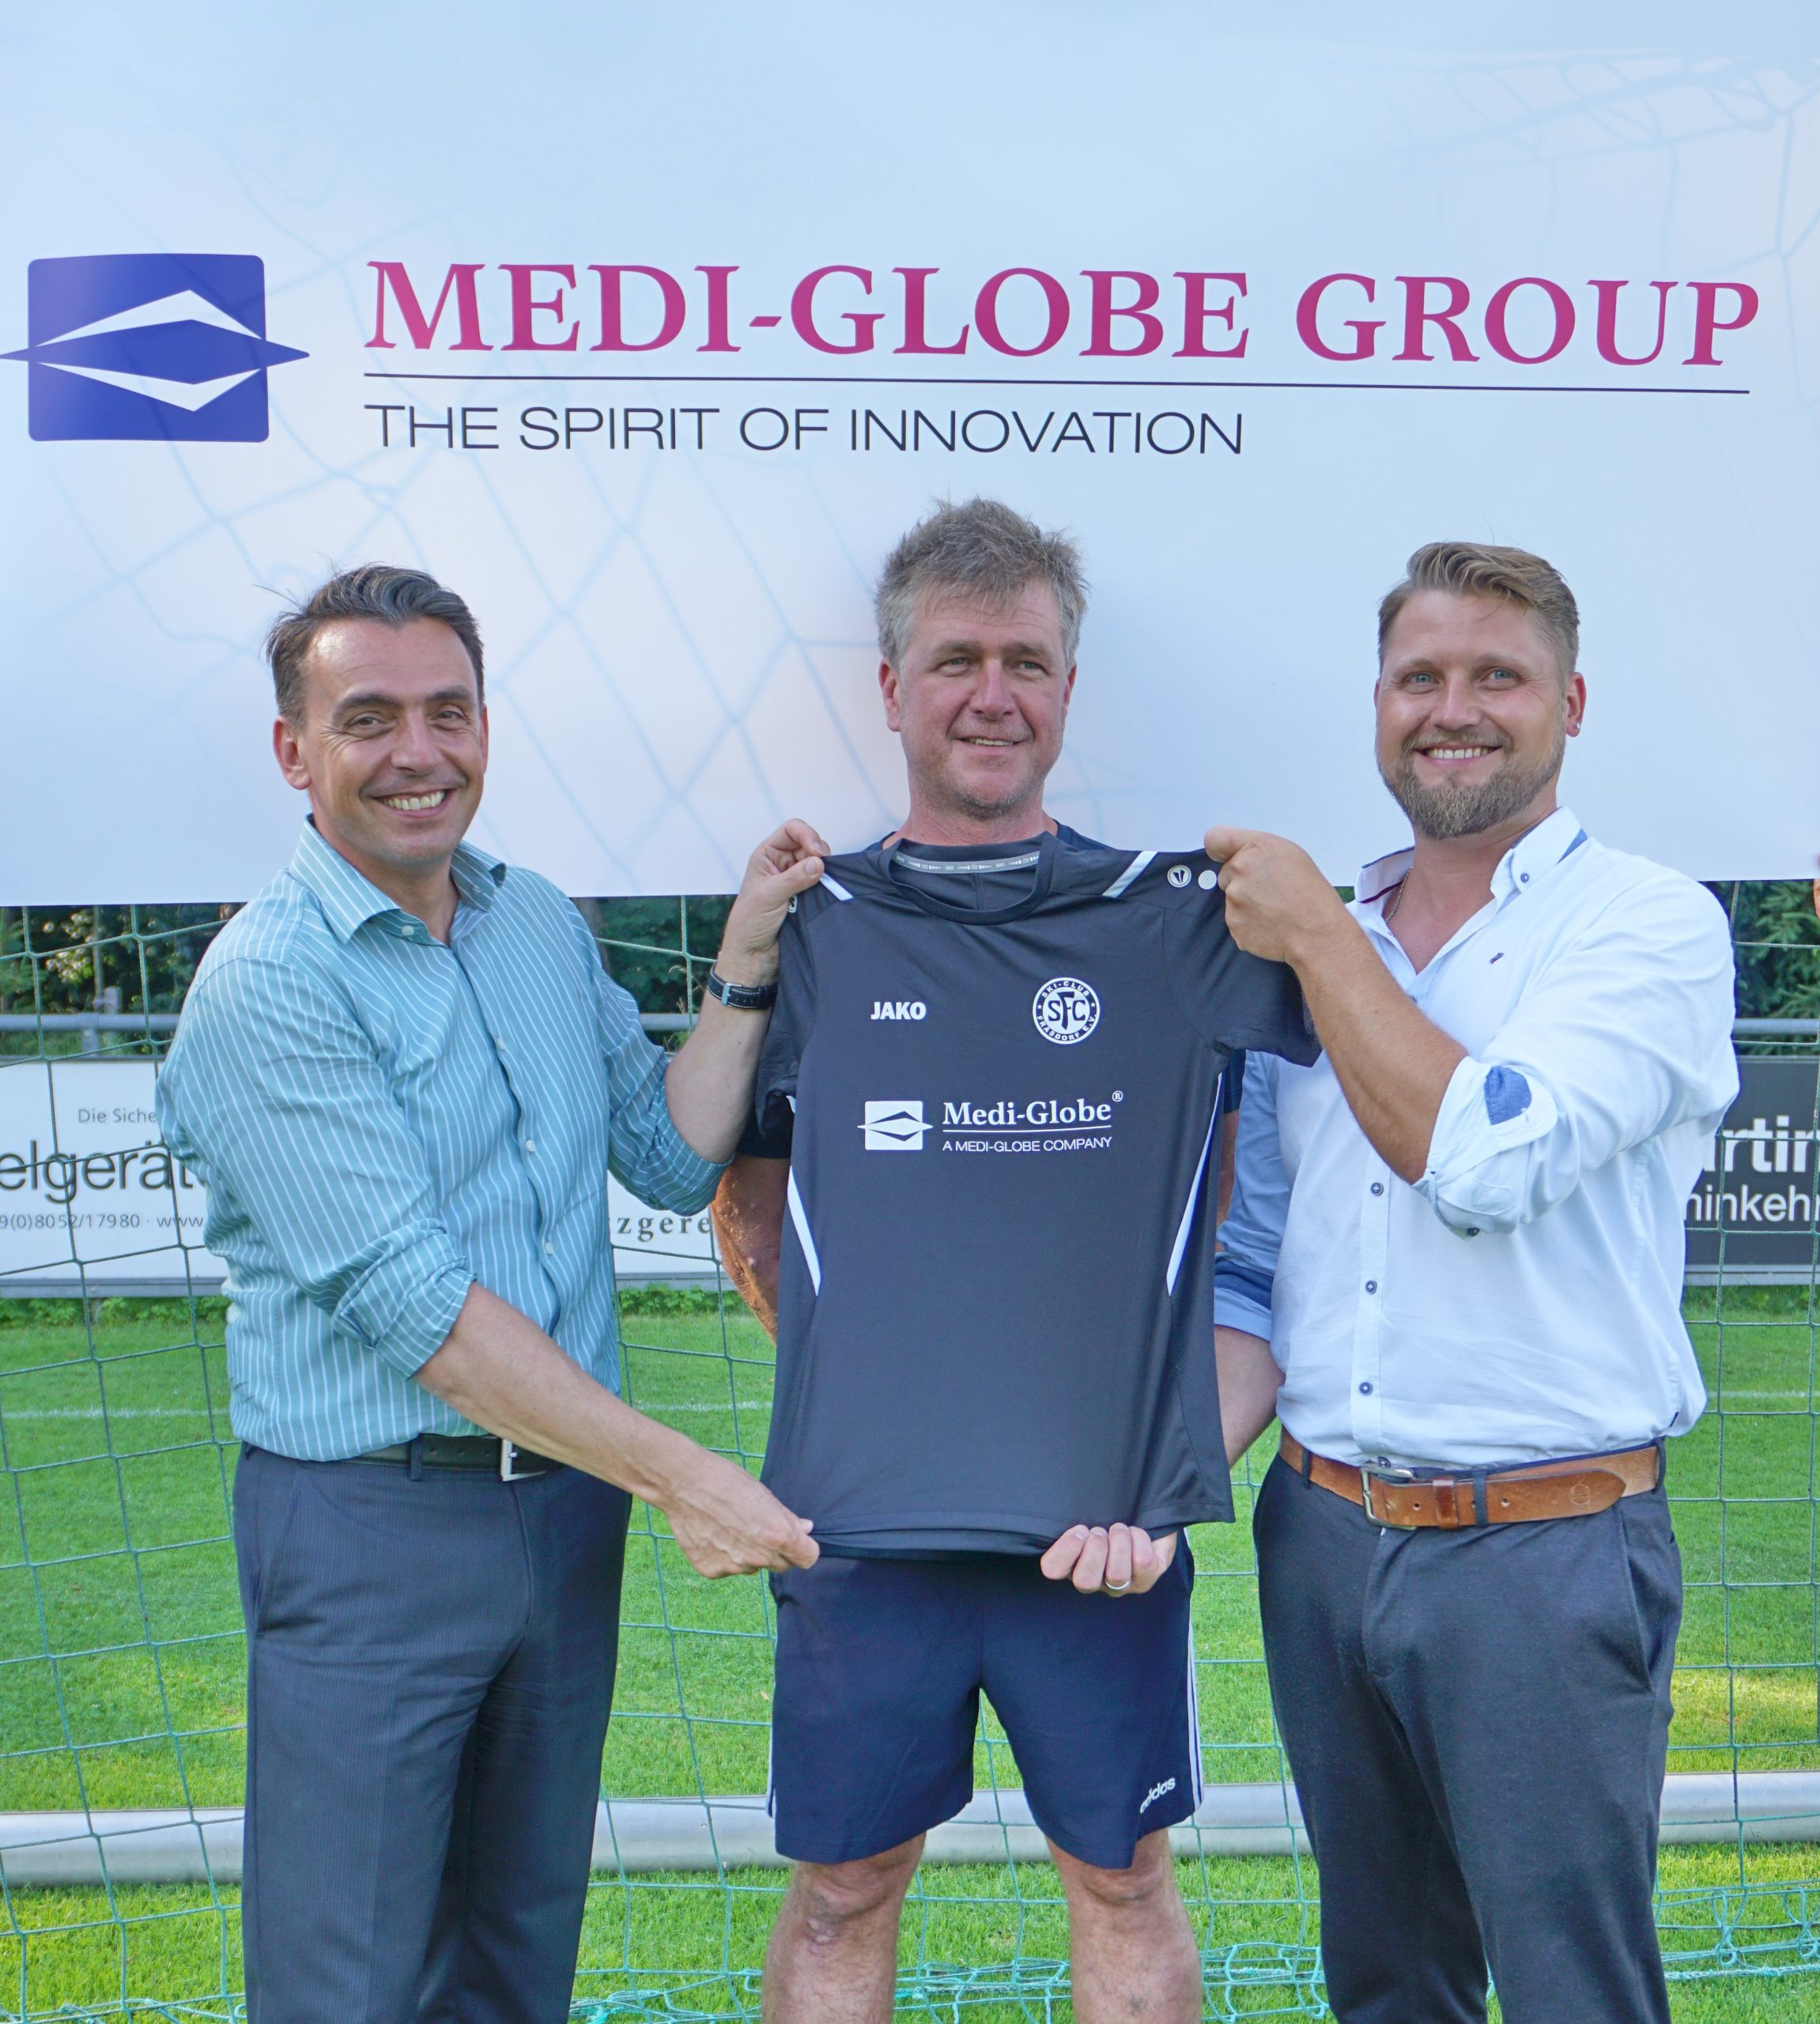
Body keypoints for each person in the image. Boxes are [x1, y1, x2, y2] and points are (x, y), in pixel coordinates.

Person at [154, 564, 823, 2024]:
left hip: (561, 1520)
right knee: (350, 1982)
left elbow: (667, 1153)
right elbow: (423, 1313)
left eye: (447, 712)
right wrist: (682, 1478)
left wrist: (744, 962)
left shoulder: (534, 926)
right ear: (294, 752)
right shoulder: (268, 982)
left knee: (517, 1964)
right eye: (369, 718)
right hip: (371, 1524)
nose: (419, 752)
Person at [712, 499, 1316, 2024]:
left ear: (1066, 688)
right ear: (891, 686)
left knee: (1124, 1881)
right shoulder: (808, 929)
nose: (993, 694)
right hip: (860, 1530)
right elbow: (746, 1193)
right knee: (842, 1890)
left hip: (1096, 1531)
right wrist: (878, 1386)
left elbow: (1224, 1193)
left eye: (1026, 662)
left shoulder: (1178, 923)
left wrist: (1150, 1441)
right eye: (957, 660)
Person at [1206, 542, 1739, 2024]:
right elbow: (1253, 1264)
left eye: (1495, 676)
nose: (1452, 710)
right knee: (1385, 1985)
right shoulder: (1311, 944)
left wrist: (1316, 935)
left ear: (1570, 703)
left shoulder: (1646, 924)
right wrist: (1150, 1481)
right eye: (1418, 678)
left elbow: (1481, 1163)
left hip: (1541, 1547)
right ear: (1377, 705)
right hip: (1319, 1531)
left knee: (1573, 1991)